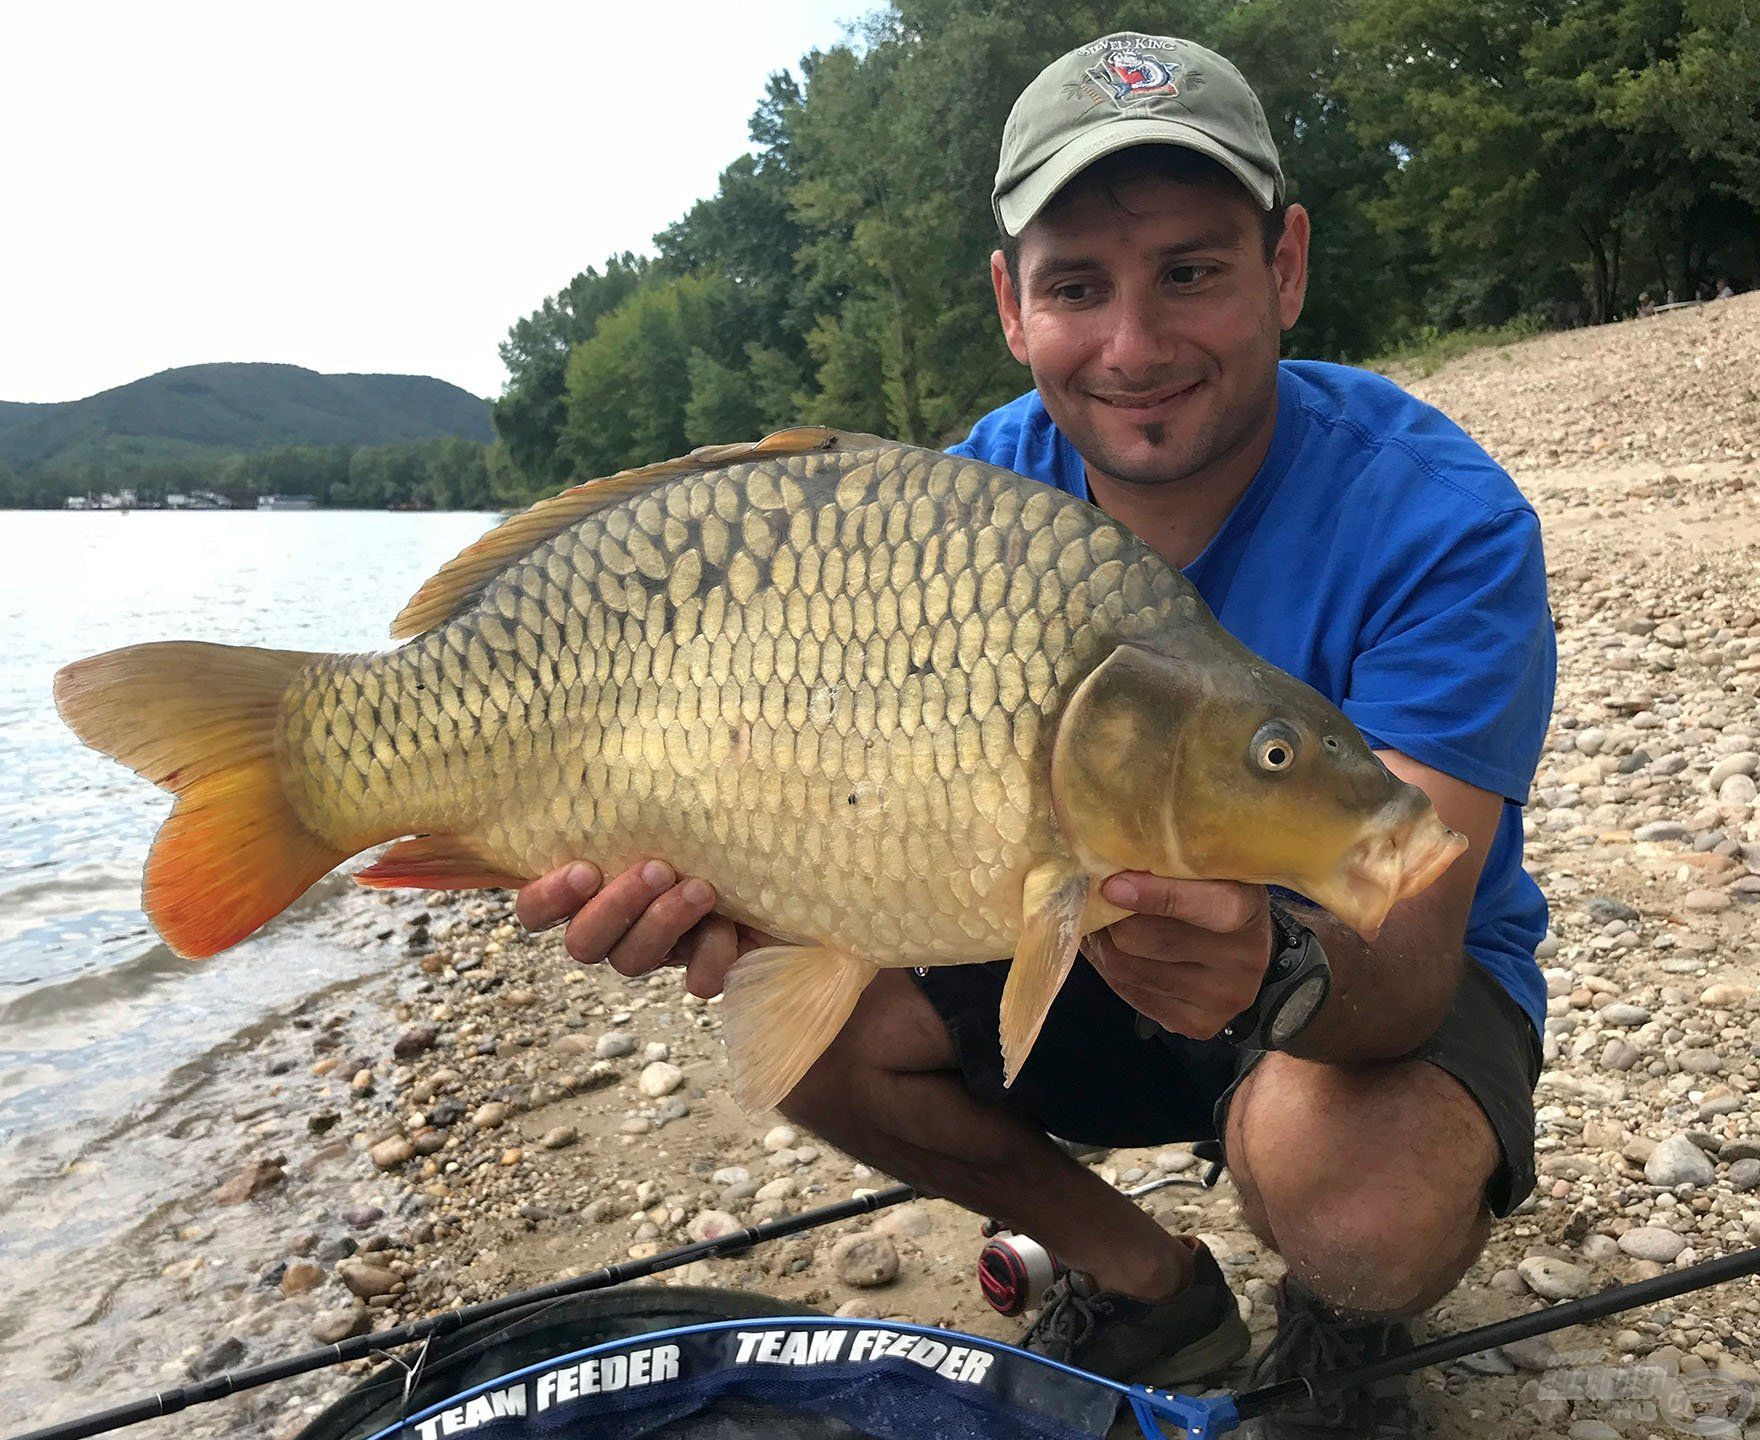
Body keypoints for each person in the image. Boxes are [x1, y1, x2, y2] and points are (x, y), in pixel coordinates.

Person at [514, 32, 1553, 1439]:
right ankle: (1144, 1284)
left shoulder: (1441, 521)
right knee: (799, 1010)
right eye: (1078, 286)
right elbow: (815, 795)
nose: (1135, 345)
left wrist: (1269, 969)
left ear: (1286, 267)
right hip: (1056, 933)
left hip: (1363, 1008)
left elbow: (1412, 939)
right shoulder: (961, 514)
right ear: (1012, 304)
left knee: (1354, 1206)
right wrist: (733, 882)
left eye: (1192, 270)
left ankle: (1339, 1316)